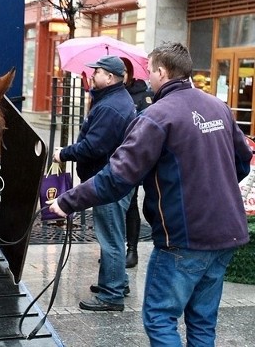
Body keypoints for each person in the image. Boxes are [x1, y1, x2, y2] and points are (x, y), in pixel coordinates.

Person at [49, 42, 251, 345]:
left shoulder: (157, 116)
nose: (149, 78)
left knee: (159, 318)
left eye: (151, 71)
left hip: (184, 238)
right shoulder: (217, 106)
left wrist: (66, 202)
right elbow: (241, 163)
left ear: (161, 71)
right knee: (202, 321)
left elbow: (116, 178)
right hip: (227, 234)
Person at [52, 55, 136, 311]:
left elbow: (94, 146)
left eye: (96, 71)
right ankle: (117, 282)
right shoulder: (114, 100)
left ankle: (112, 295)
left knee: (110, 237)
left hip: (109, 182)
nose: (91, 75)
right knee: (114, 234)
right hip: (113, 179)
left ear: (110, 77)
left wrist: (65, 152)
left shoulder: (111, 107)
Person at [120, 57, 154, 268]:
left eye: (125, 71)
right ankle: (114, 249)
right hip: (113, 155)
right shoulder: (110, 93)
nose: (121, 75)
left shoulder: (144, 95)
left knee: (131, 203)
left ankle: (132, 249)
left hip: (134, 156)